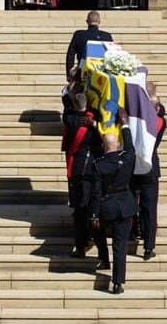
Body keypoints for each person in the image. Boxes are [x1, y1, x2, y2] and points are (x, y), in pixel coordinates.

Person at [89, 112, 137, 295]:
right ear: (117, 144)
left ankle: (103, 257)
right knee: (120, 244)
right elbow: (131, 147)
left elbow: (95, 193)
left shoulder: (98, 165)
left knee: (96, 230)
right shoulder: (127, 158)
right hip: (124, 204)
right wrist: (124, 124)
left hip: (106, 206)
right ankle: (117, 283)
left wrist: (94, 214)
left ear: (103, 146)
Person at [61, 93, 104, 260]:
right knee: (92, 208)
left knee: (81, 210)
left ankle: (80, 246)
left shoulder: (71, 119)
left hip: (80, 169)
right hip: (94, 167)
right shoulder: (95, 119)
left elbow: (66, 105)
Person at [130, 95, 166, 261]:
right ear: (157, 109)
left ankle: (132, 233)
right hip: (150, 169)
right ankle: (148, 247)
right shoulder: (158, 121)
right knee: (150, 209)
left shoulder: (136, 122)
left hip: (134, 166)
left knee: (132, 203)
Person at [65, 11, 114, 76]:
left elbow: (70, 55)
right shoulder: (106, 36)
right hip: (102, 74)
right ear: (99, 22)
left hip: (82, 72)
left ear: (87, 21)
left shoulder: (79, 35)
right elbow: (112, 55)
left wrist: (69, 73)